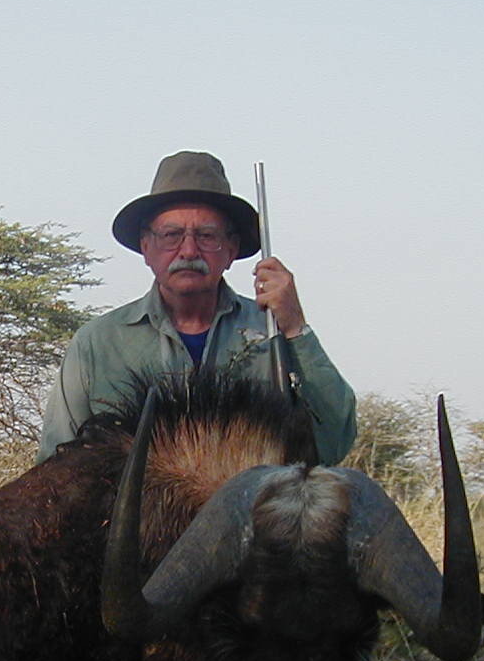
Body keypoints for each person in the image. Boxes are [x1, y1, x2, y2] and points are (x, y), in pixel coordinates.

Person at [38, 150, 356, 463]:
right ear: (146, 247)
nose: (188, 250)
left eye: (207, 236)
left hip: (251, 513)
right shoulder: (96, 343)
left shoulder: (273, 332)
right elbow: (53, 468)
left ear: (231, 249)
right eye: (171, 235)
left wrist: (296, 328)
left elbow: (335, 443)